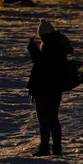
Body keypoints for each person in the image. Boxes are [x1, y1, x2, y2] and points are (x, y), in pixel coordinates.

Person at [26, 20, 75, 156]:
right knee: (53, 118)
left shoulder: (50, 47)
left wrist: (33, 49)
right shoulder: (58, 45)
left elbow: (42, 64)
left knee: (44, 119)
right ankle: (56, 147)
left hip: (44, 89)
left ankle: (44, 148)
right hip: (55, 89)